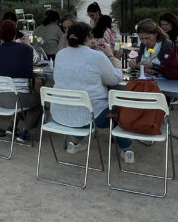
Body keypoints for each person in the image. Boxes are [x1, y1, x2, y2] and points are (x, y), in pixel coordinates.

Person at [51, 22, 133, 164]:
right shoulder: (96, 56)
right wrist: (110, 55)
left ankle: (75, 141)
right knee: (119, 107)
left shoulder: (60, 55)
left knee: (84, 104)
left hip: (60, 112)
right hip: (93, 115)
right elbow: (115, 78)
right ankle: (126, 149)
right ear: (89, 37)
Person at [0, 20, 42, 142]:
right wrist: (28, 44)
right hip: (16, 99)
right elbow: (37, 60)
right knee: (37, 102)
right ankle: (25, 131)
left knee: (18, 95)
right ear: (15, 34)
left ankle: (12, 126)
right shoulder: (25, 49)